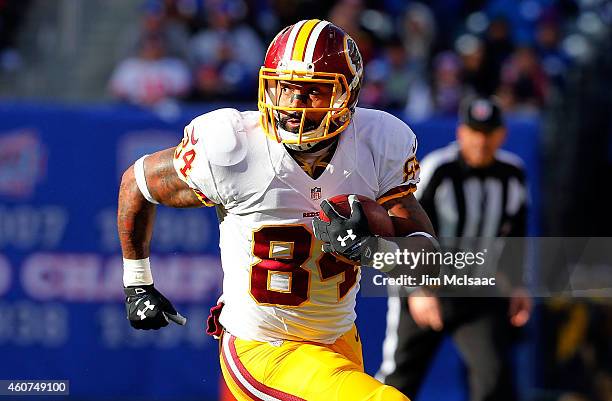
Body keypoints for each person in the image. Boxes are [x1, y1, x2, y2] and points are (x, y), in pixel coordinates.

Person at [117, 20, 436, 401]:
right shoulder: (235, 148)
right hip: (262, 348)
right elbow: (137, 181)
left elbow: (428, 257)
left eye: (313, 92)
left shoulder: (376, 143)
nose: (293, 104)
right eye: (285, 88)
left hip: (339, 341)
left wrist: (373, 249)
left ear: (346, 96)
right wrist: (137, 283)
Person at [376, 97, 533, 401]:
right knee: (400, 378)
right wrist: (418, 291)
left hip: (476, 291)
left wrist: (517, 284)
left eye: (488, 133)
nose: (481, 141)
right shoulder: (438, 170)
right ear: (461, 132)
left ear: (502, 135)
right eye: (475, 132)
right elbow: (406, 228)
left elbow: (517, 234)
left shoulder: (513, 174)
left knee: (494, 378)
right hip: (426, 287)